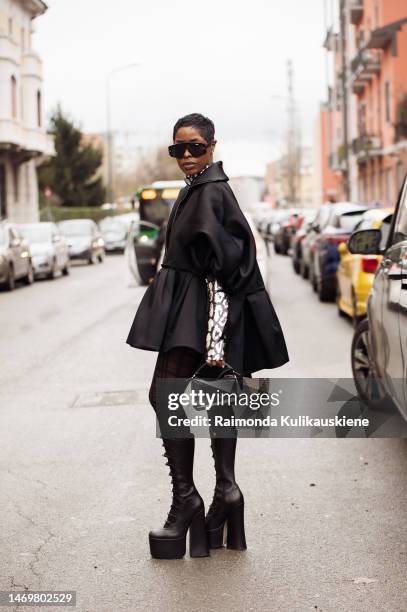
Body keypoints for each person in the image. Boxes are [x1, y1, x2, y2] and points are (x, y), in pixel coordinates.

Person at [126, 113, 289, 559]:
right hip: (192, 312)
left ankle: (189, 502)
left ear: (213, 146)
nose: (186, 156)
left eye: (195, 147)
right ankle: (225, 494)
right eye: (178, 149)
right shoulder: (199, 189)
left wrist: (216, 343)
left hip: (201, 317)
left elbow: (229, 271)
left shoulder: (210, 192)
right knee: (213, 399)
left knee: (165, 396)